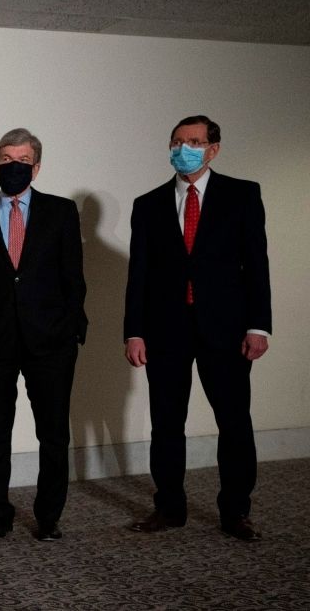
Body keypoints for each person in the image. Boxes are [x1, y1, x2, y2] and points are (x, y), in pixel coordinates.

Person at [124, 115, 271, 542]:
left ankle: (236, 512)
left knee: (234, 422)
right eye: (176, 141)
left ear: (213, 149)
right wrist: (134, 331)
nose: (182, 148)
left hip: (226, 329)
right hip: (165, 329)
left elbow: (256, 263)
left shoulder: (242, 195)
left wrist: (258, 325)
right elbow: (140, 274)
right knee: (167, 424)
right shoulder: (147, 204)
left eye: (193, 141)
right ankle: (169, 508)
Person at [0, 128, 86, 542]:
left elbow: (73, 279)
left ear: (37, 167)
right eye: (7, 160)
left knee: (53, 433)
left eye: (23, 161)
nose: (14, 167)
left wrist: (71, 330)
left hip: (51, 343)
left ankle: (49, 518)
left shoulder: (62, 213)